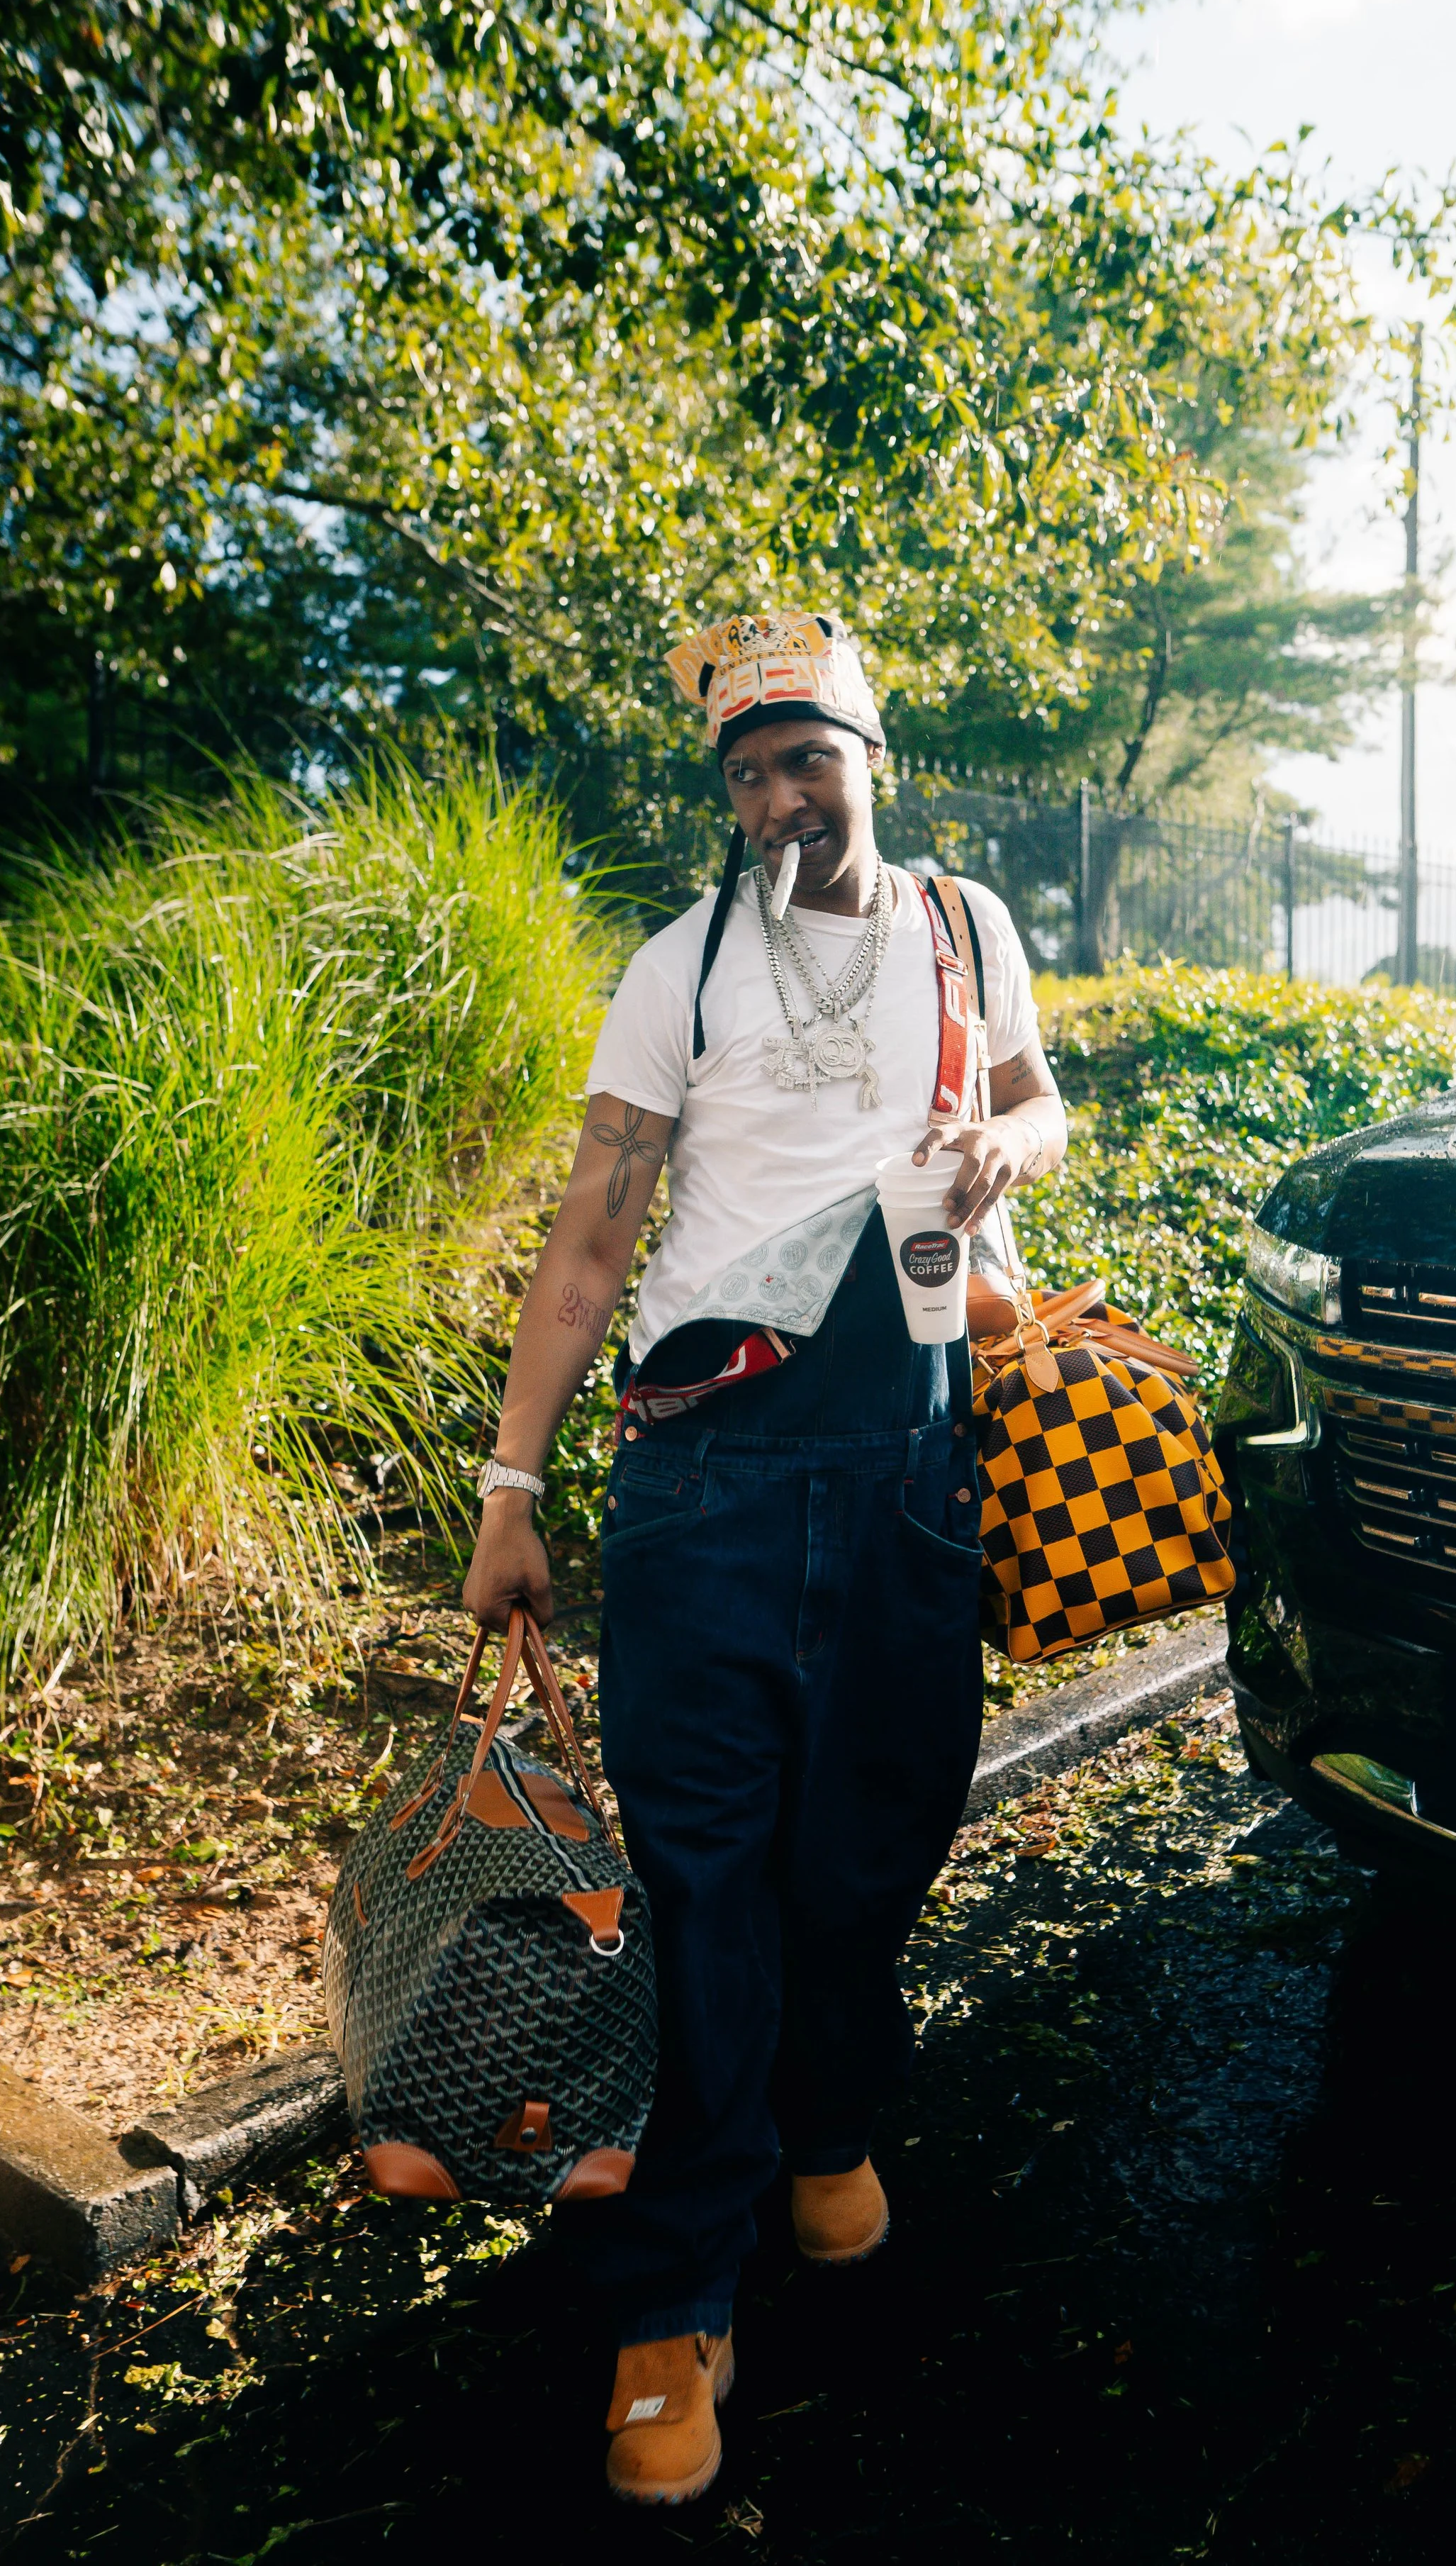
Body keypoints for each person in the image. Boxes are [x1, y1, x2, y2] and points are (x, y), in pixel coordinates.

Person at [461, 609, 1068, 2505]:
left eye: (805, 759)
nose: (776, 798)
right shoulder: (680, 966)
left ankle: (828, 2117)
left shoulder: (967, 932)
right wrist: (509, 1480)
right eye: (743, 773)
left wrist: (1006, 1161)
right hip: (707, 1475)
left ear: (873, 759)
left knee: (875, 1835)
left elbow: (1042, 1099)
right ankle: (677, 2295)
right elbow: (587, 1239)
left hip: (907, 1459)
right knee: (710, 1880)